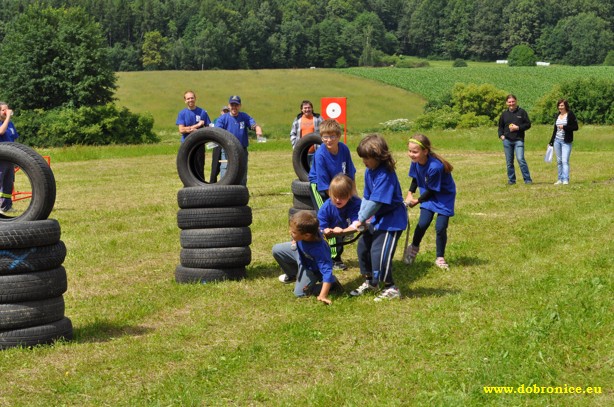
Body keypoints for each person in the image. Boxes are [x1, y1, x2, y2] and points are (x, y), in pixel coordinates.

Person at [351, 134, 407, 301]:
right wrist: (362, 217)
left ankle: (391, 288)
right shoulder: (370, 171)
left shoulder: (385, 175)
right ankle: (371, 282)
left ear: (378, 156)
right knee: (364, 248)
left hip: (392, 221)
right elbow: (367, 197)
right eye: (362, 158)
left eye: (367, 158)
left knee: (379, 254)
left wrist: (360, 219)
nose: (364, 161)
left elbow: (376, 202)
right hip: (376, 219)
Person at [308, 119, 356, 268]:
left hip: (340, 187)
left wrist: (353, 195)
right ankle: (334, 259)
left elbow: (350, 174)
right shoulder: (320, 154)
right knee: (331, 217)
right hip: (322, 188)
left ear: (339, 136)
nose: (329, 140)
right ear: (321, 137)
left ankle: (335, 252)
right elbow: (324, 185)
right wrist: (338, 204)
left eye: (332, 136)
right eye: (325, 137)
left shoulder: (344, 149)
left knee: (342, 216)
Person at [404, 134, 457, 270]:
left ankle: (440, 258)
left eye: (415, 152)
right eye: (410, 151)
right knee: (422, 223)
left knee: (440, 227)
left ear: (425, 151)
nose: (411, 154)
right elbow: (415, 178)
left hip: (443, 196)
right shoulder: (416, 162)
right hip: (428, 193)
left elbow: (433, 190)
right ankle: (413, 248)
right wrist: (410, 193)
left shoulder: (435, 167)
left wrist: (417, 201)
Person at [272, 210, 339, 305]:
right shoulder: (307, 233)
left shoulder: (319, 250)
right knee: (277, 250)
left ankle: (332, 285)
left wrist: (323, 295)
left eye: (293, 232)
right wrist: (295, 239)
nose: (290, 232)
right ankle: (293, 276)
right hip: (301, 255)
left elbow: (327, 272)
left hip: (311, 268)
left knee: (300, 293)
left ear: (307, 235)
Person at [215, 95, 263, 185]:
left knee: (242, 172)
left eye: (236, 105)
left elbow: (253, 124)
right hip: (227, 151)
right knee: (225, 172)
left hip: (241, 150)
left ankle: (241, 193)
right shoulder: (223, 118)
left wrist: (258, 129)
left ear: (240, 106)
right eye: (232, 105)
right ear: (229, 105)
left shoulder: (244, 116)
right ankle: (224, 193)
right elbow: (217, 132)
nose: (234, 107)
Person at [317, 174, 362, 270]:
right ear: (330, 194)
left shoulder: (356, 203)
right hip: (331, 229)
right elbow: (320, 227)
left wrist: (345, 230)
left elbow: (357, 222)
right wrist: (325, 230)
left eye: (342, 197)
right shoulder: (326, 208)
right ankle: (331, 260)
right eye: (335, 196)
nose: (338, 200)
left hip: (347, 227)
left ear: (350, 195)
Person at [176, 91, 211, 181]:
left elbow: (209, 128)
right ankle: (188, 187)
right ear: (185, 101)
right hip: (186, 144)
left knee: (199, 167)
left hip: (199, 145)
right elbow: (181, 130)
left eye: (192, 98)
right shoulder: (182, 113)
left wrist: (196, 131)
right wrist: (196, 126)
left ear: (195, 99)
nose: (190, 100)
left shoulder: (202, 112)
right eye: (188, 98)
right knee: (187, 167)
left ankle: (201, 186)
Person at [497, 94, 532, 185]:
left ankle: (527, 180)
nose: (511, 103)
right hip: (507, 141)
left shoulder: (522, 112)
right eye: (509, 102)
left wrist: (518, 128)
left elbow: (528, 124)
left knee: (520, 159)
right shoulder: (504, 114)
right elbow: (500, 127)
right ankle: (512, 180)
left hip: (519, 140)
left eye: (513, 101)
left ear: (516, 101)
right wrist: (501, 136)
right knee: (509, 162)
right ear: (506, 103)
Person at [549, 99, 579, 185]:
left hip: (566, 141)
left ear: (565, 106)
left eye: (562, 105)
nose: (560, 107)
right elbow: (555, 130)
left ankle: (565, 179)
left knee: (565, 160)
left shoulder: (570, 114)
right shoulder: (557, 115)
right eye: (559, 105)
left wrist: (564, 127)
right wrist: (551, 142)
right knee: (559, 161)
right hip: (557, 141)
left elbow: (575, 127)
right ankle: (560, 179)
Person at [290, 100, 324, 166]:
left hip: (316, 151)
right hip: (302, 152)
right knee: (304, 172)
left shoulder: (318, 118)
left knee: (317, 170)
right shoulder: (297, 120)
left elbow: (325, 132)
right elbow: (292, 134)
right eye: (305, 108)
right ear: (302, 109)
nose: (307, 109)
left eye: (309, 107)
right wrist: (295, 146)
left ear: (312, 108)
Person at [0, 102, 19, 214]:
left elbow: (14, 139)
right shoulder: (5, 123)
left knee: (8, 182)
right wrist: (7, 117)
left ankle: (7, 205)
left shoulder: (10, 124)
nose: (6, 111)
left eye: (7, 109)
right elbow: (1, 131)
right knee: (0, 181)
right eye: (3, 110)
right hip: (1, 158)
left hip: (11, 158)